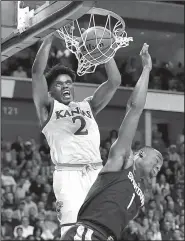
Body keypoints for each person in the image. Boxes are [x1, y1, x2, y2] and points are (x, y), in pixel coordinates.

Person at [61, 43, 163, 241]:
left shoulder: (143, 192)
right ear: (140, 154)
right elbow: (134, 108)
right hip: (88, 233)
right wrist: (147, 69)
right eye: (156, 160)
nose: (158, 167)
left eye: (160, 166)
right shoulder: (124, 160)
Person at [32, 32, 121, 234]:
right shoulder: (48, 109)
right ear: (50, 91)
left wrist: (105, 51)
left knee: (102, 231)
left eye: (68, 83)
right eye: (59, 84)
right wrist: (49, 38)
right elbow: (37, 74)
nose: (65, 86)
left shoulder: (88, 105)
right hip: (69, 175)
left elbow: (114, 81)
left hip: (96, 173)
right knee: (72, 232)